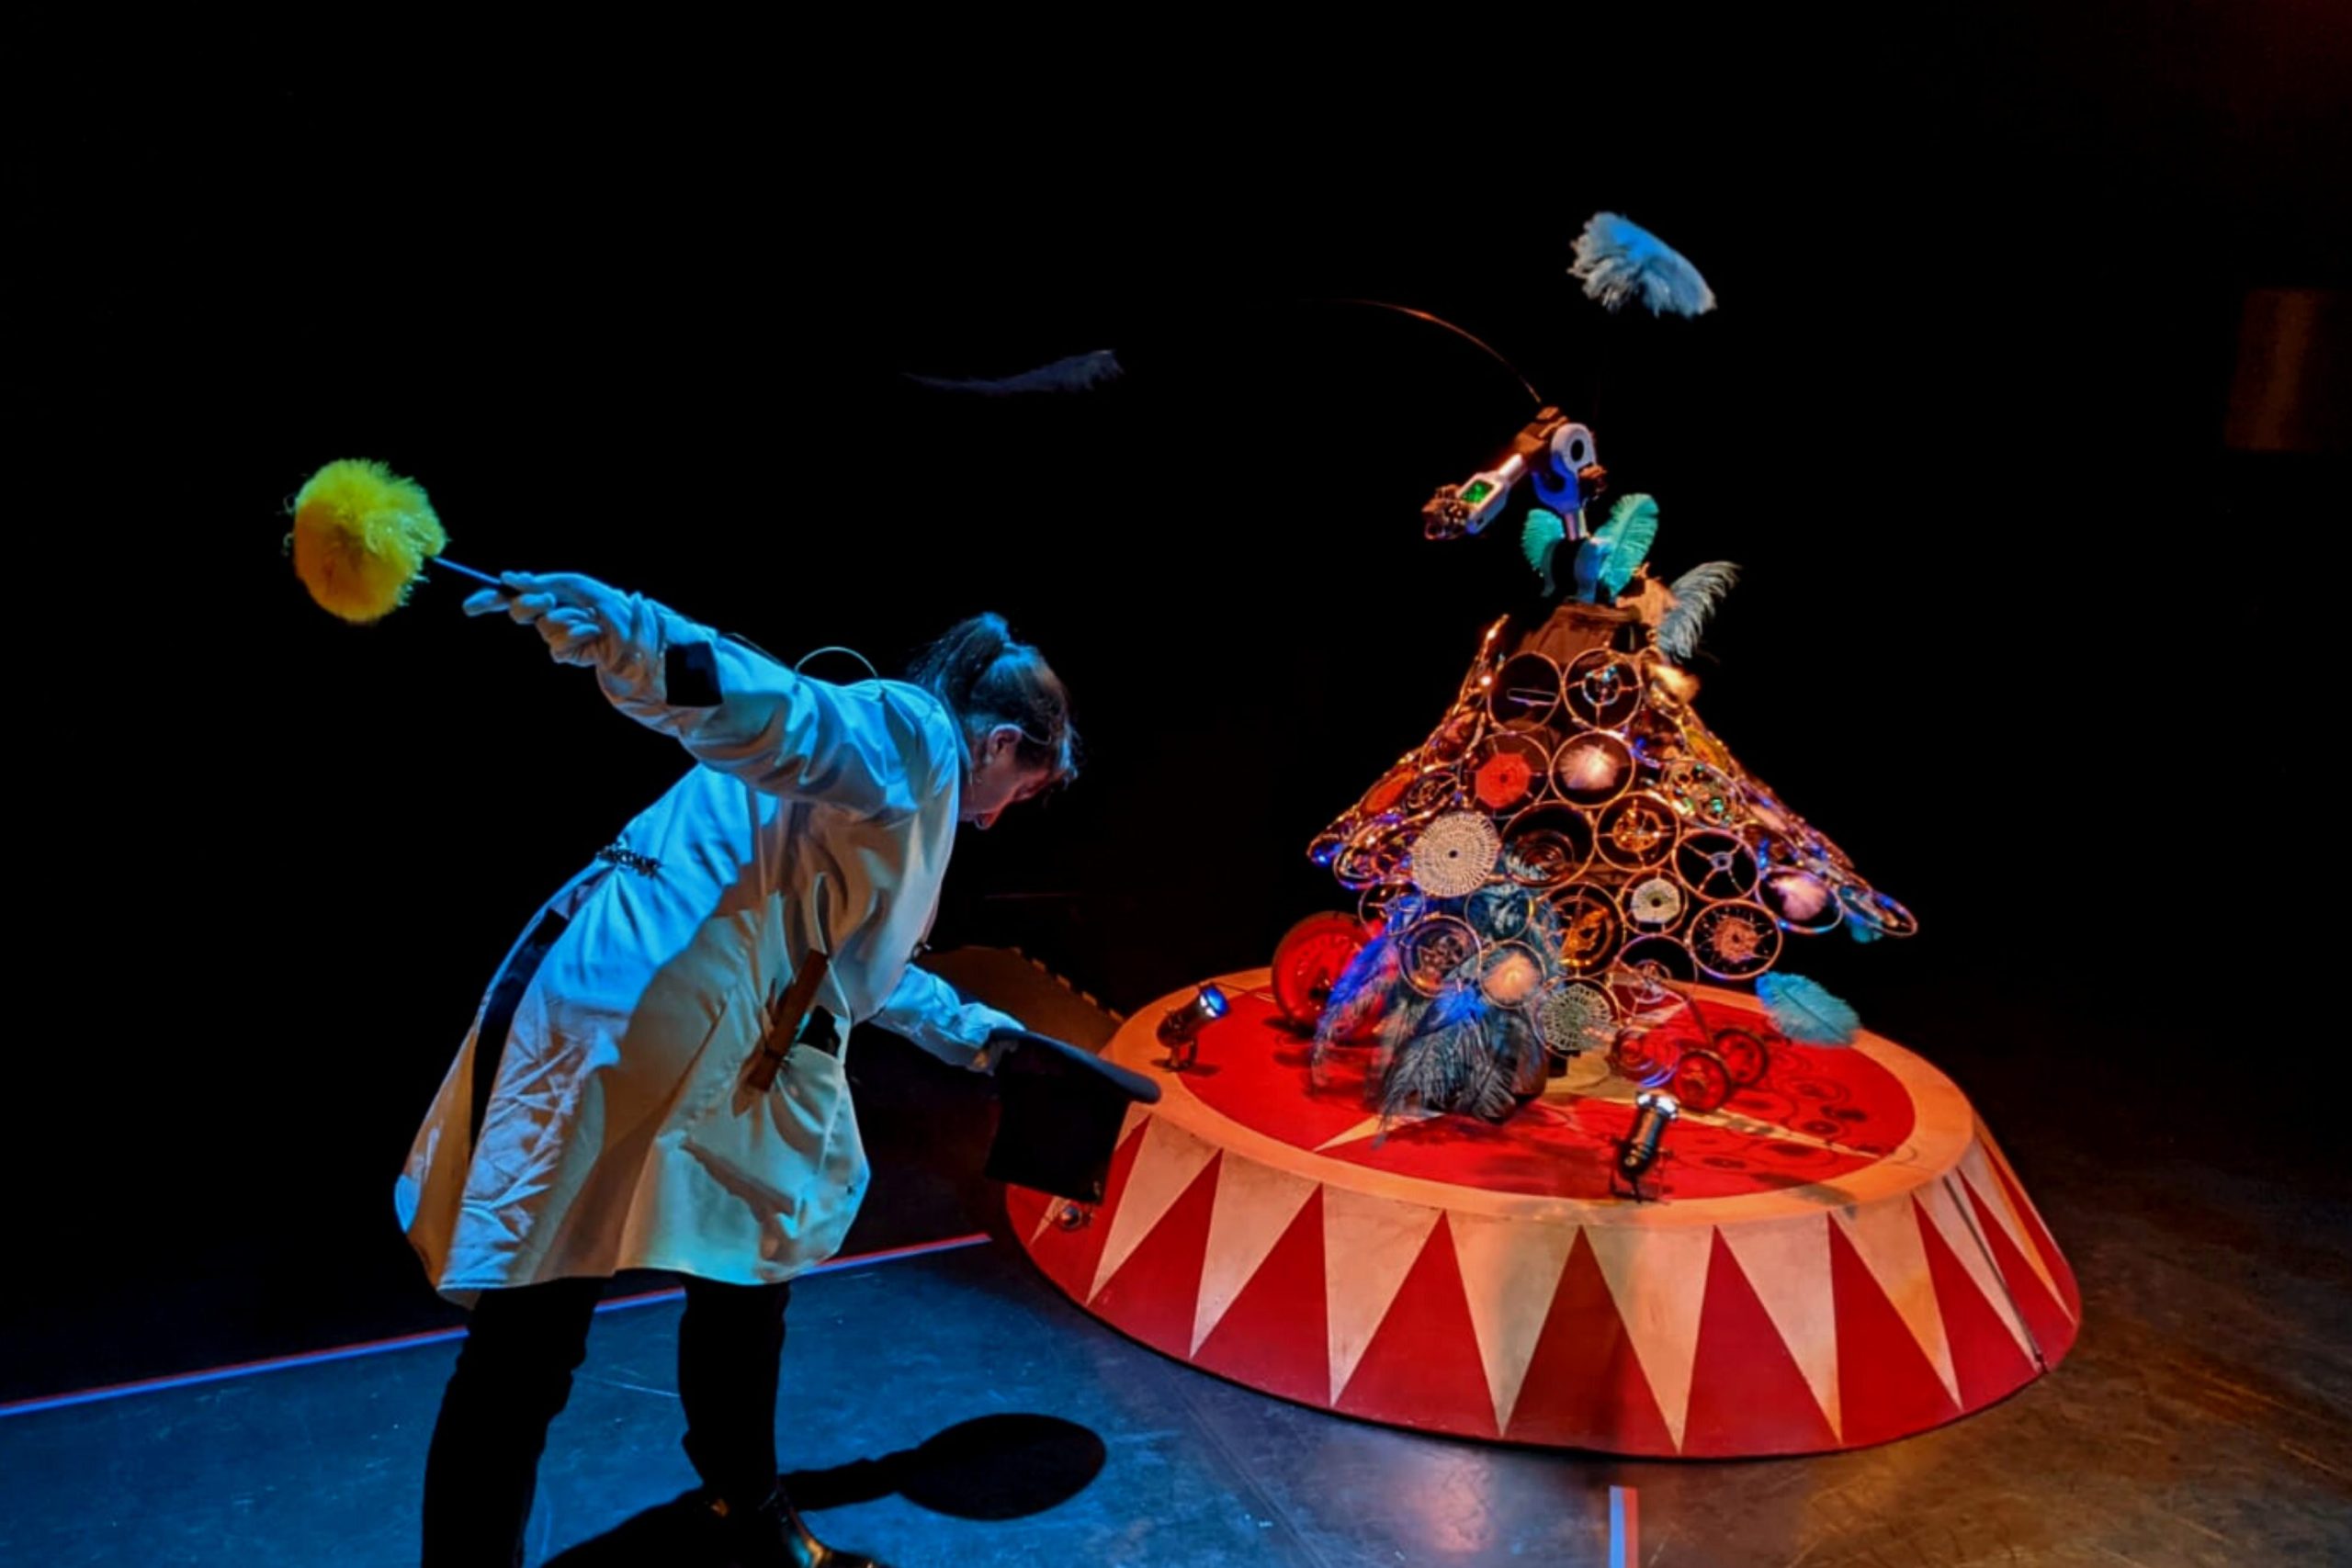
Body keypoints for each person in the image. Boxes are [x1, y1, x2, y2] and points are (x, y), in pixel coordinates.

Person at [393, 570, 1077, 1567]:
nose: (993, 819)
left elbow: (848, 968)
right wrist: (622, 633)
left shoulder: (886, 783)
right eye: (1017, 793)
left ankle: (745, 1506)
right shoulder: (911, 736)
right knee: (534, 1340)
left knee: (742, 1272)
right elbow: (771, 709)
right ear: (1001, 743)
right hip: (631, 1024)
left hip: (654, 1012)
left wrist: (978, 1033)